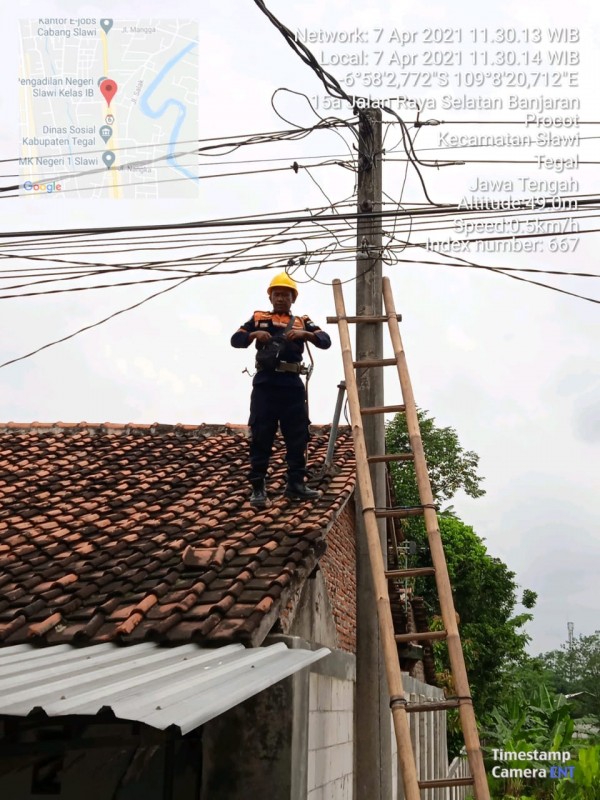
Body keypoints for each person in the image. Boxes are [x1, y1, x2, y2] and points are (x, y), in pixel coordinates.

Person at [231, 273, 332, 507]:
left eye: (285, 295)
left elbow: (325, 341)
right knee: (261, 433)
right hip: (265, 383)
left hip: (292, 384)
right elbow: (236, 339)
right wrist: (254, 334)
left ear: (293, 299)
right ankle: (258, 488)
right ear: (270, 297)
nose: (280, 298)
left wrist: (306, 335)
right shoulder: (258, 317)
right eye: (276, 294)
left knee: (297, 434)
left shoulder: (303, 321)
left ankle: (295, 484)